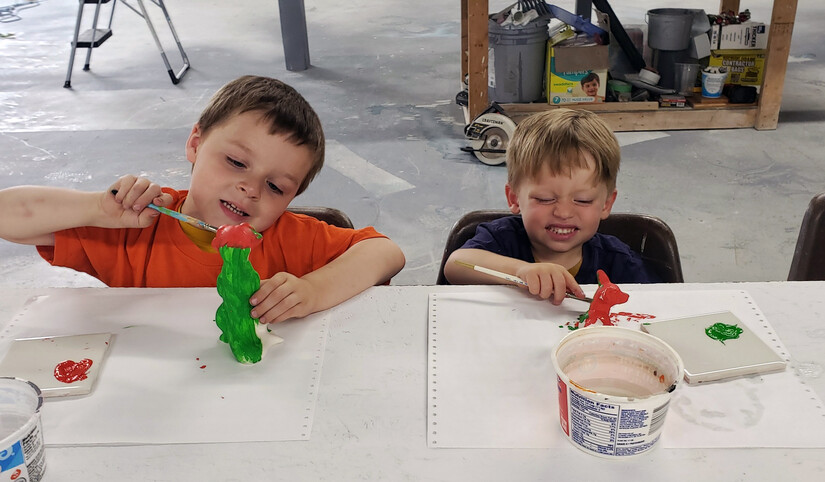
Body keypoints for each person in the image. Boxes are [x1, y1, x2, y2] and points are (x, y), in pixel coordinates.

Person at [0, 75, 405, 323]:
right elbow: (9, 215)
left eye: (277, 187)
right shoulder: (135, 228)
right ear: (196, 143)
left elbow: (385, 252)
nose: (250, 189)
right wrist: (96, 209)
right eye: (235, 162)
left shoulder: (291, 239)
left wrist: (315, 290)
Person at [444, 109, 660, 304]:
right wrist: (520, 270)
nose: (563, 213)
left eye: (583, 200)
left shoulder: (619, 261)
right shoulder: (501, 239)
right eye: (545, 199)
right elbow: (456, 265)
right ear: (514, 199)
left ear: (606, 204)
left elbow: (655, 304)